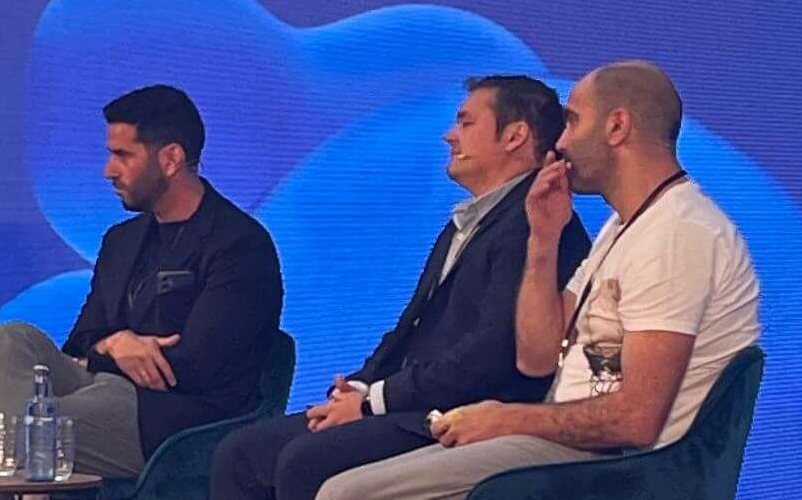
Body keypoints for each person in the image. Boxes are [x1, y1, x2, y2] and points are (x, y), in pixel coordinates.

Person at [313, 61, 762, 500]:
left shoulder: (678, 234)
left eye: (573, 121)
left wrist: (506, 419)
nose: (561, 142)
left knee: (346, 493)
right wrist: (543, 240)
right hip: (570, 446)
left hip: (620, 468)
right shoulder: (622, 229)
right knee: (340, 479)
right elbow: (537, 357)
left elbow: (635, 419)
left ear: (617, 127)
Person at [209, 75, 591, 500]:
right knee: (242, 454)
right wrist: (358, 387)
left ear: (515, 136)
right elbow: (411, 328)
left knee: (304, 460)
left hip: (466, 412)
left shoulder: (538, 225)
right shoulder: (466, 223)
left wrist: (373, 402)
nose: (450, 136)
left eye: (466, 123)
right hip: (413, 403)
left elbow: (490, 355)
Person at [0, 84, 287, 479]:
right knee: (9, 340)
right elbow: (81, 341)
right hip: (99, 387)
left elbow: (194, 367)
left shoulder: (239, 244)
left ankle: (17, 468)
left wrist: (106, 356)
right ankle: (23, 471)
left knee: (19, 432)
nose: (108, 170)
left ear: (171, 159)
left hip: (168, 416)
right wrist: (115, 345)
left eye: (123, 155)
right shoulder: (121, 241)